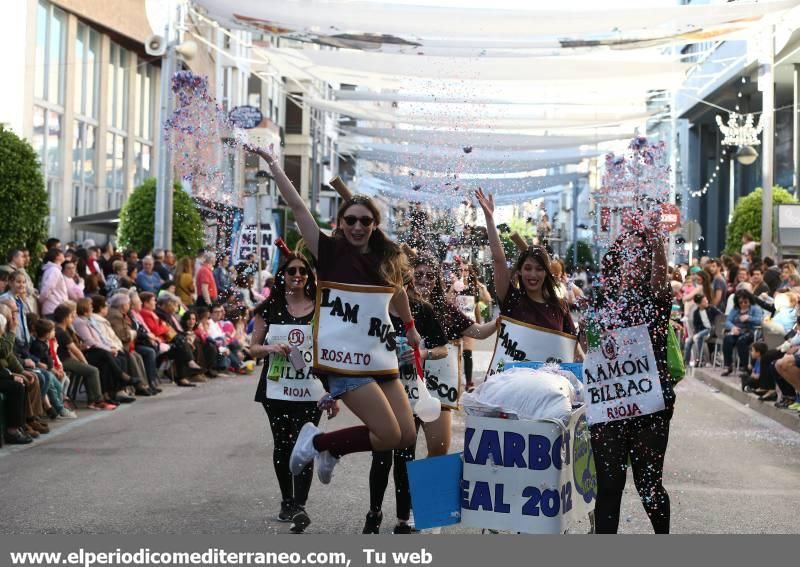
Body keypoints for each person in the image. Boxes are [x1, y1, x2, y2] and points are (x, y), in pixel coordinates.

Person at [249, 144, 421, 487]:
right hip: (344, 361)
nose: (358, 226)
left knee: (405, 436)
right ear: (340, 223)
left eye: (365, 221)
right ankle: (320, 443)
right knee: (386, 435)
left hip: (380, 356)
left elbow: (399, 291)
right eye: (351, 220)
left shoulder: (386, 260)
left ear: (374, 225)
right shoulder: (327, 251)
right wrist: (273, 164)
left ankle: (329, 448)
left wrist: (411, 327)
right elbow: (297, 206)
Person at [590, 228, 675, 534]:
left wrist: (656, 241)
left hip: (649, 408)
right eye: (629, 253)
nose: (634, 259)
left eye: (642, 253)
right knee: (609, 487)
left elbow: (659, 283)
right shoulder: (602, 299)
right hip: (610, 406)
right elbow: (591, 348)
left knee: (648, 485)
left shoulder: (656, 298)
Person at [250, 253, 337, 533]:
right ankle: (287, 501)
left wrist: (333, 391)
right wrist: (270, 349)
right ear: (282, 276)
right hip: (276, 389)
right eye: (291, 271)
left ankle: (300, 504)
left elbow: (331, 353)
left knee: (306, 444)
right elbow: (252, 348)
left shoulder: (321, 309)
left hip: (311, 390)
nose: (297, 275)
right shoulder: (270, 307)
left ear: (309, 277)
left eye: (302, 271)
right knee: (283, 445)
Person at [475, 188, 581, 364]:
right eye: (528, 268)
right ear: (519, 272)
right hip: (512, 385)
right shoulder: (511, 300)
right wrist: (489, 219)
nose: (533, 274)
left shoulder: (559, 306)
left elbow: (574, 350)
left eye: (539, 269)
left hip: (548, 387)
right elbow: (499, 260)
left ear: (546, 274)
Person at [52, 302, 113, 410]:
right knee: (93, 370)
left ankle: (93, 399)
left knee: (89, 370)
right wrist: (85, 362)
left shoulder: (60, 329)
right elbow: (75, 350)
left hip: (65, 358)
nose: (72, 319)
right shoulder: (61, 332)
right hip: (63, 360)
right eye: (71, 316)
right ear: (65, 318)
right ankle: (96, 401)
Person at [446, 261, 492, 391]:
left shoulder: (474, 287)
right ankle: (454, 378)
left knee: (467, 352)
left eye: (466, 270)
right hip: (455, 323)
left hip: (469, 323)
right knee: (454, 352)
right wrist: (453, 287)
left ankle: (469, 381)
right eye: (461, 270)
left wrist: (481, 287)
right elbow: (447, 301)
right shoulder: (454, 286)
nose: (463, 273)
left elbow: (486, 300)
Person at [0, 312, 34, 443]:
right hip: (3, 375)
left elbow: (9, 357)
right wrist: (10, 376)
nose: (4, 330)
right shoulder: (5, 338)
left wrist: (20, 371)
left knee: (25, 381)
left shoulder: (2, 338)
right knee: (16, 387)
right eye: (2, 328)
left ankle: (22, 422)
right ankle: (12, 430)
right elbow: (4, 351)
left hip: (3, 373)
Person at [721, 290, 763, 377]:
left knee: (741, 341)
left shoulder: (756, 308)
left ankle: (746, 367)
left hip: (750, 331)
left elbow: (760, 321)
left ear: (749, 300)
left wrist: (749, 318)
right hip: (737, 331)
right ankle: (728, 365)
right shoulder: (735, 309)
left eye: (745, 302)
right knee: (727, 339)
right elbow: (728, 321)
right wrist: (733, 327)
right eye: (741, 302)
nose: (743, 304)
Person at [684, 294, 722, 366]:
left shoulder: (712, 309)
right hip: (701, 331)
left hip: (711, 330)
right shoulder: (696, 313)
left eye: (706, 300)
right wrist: (696, 333)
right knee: (688, 342)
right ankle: (686, 363)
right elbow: (696, 326)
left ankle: (702, 360)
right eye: (704, 301)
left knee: (698, 337)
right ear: (698, 304)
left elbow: (721, 317)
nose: (706, 302)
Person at [39, 248, 69, 319]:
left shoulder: (53, 269)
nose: (63, 255)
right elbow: (47, 288)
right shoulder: (54, 270)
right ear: (57, 257)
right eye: (61, 254)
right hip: (54, 308)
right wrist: (40, 301)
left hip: (54, 307)